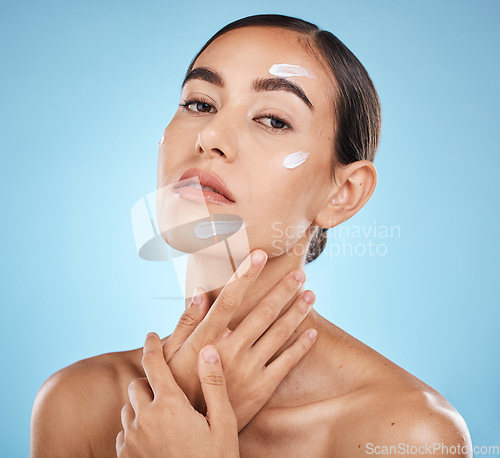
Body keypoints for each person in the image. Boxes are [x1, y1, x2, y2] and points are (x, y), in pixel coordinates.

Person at [31, 14, 472, 457]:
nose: (211, 135)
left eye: (274, 120)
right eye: (200, 103)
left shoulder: (410, 435)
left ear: (343, 193)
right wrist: (187, 404)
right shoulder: (76, 403)